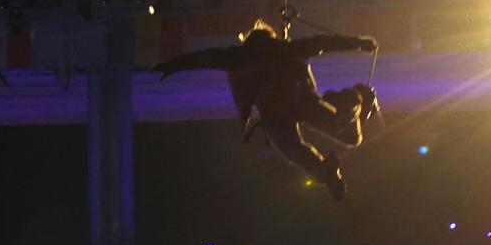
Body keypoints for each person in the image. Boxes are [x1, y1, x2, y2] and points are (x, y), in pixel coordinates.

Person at [154, 20, 380, 199]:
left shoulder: (239, 57)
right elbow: (323, 42)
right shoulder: (287, 48)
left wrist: (173, 65)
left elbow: (203, 58)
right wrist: (358, 42)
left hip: (275, 111)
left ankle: (326, 169)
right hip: (300, 99)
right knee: (348, 136)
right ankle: (351, 103)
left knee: (294, 150)